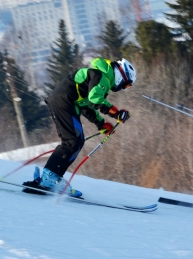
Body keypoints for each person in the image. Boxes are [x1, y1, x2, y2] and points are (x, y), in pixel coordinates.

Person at [23, 57, 136, 197]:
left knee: (76, 141)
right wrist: (117, 113)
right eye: (126, 85)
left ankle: (50, 177)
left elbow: (85, 105)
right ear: (122, 75)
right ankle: (49, 177)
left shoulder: (101, 77)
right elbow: (95, 100)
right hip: (63, 102)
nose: (124, 88)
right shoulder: (101, 76)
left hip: (66, 103)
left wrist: (101, 123)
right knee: (72, 141)